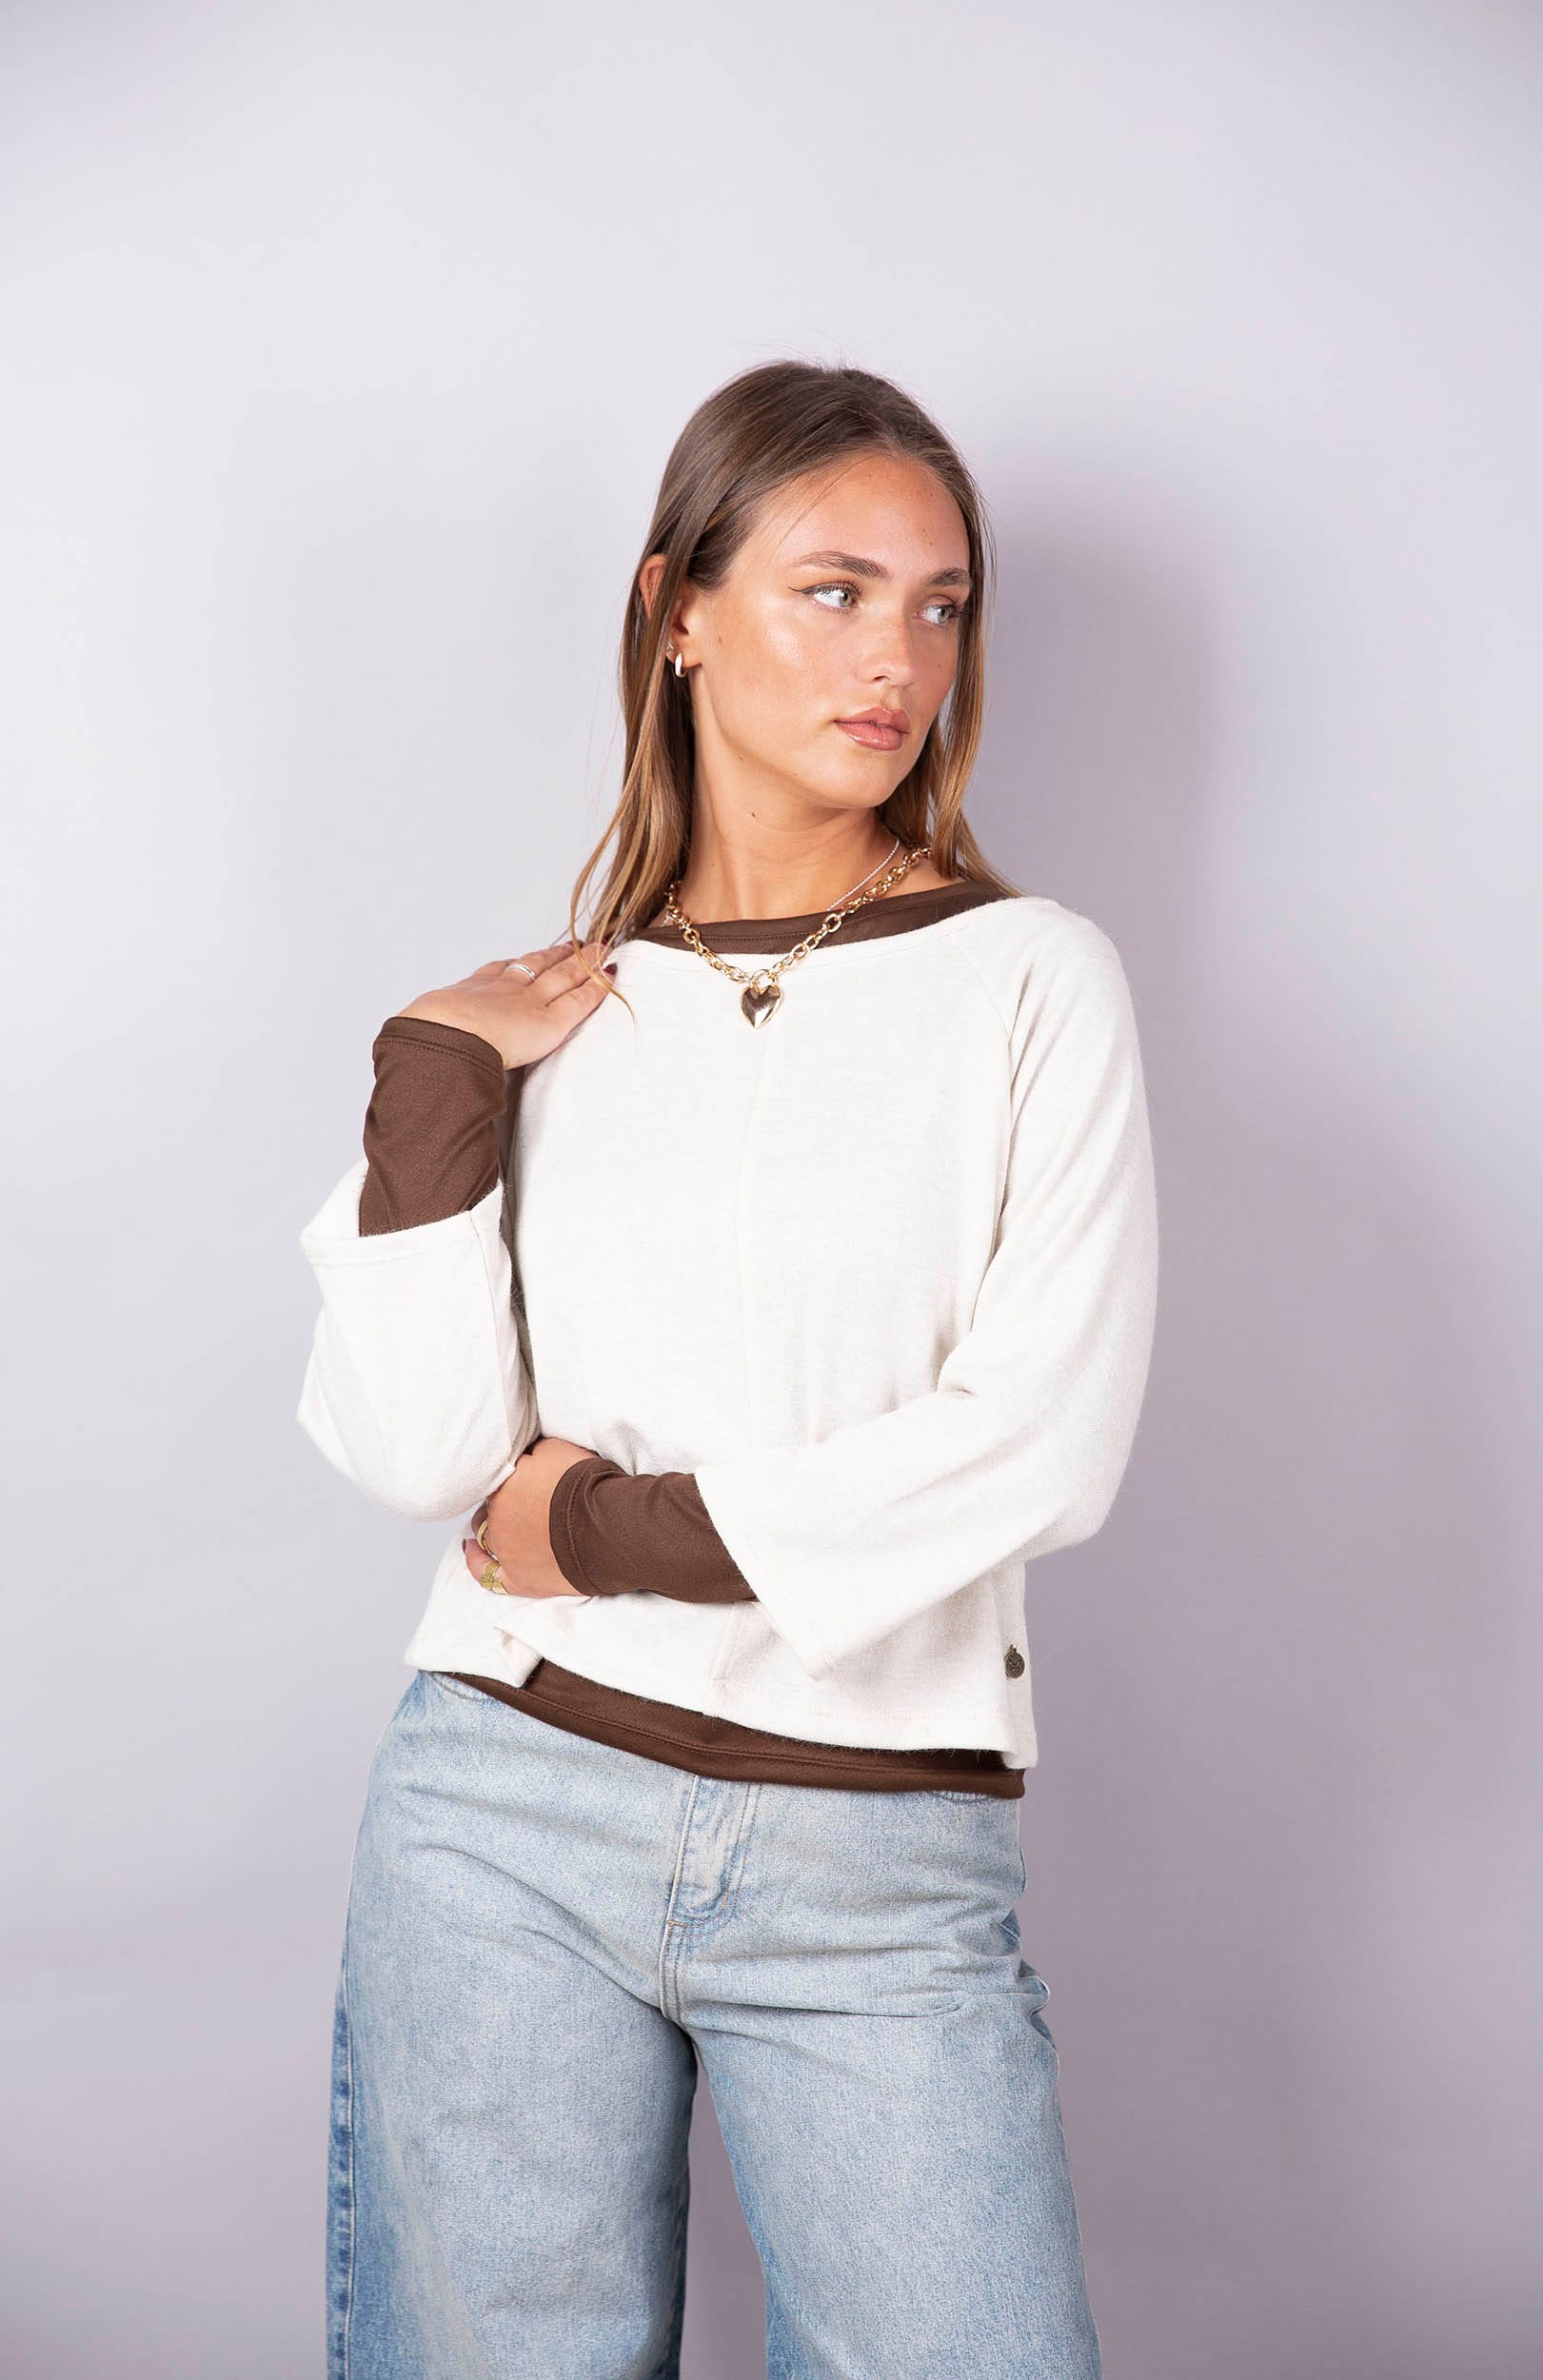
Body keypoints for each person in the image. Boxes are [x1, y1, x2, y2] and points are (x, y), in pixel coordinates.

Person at [295, 357, 1159, 2379]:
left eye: (939, 605)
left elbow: (1039, 1445)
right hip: (502, 1808)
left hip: (875, 1848)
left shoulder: (1031, 979)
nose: (898, 658)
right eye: (834, 591)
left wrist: (604, 1528)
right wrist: (434, 1082)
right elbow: (425, 1453)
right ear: (677, 610)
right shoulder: (559, 1010)